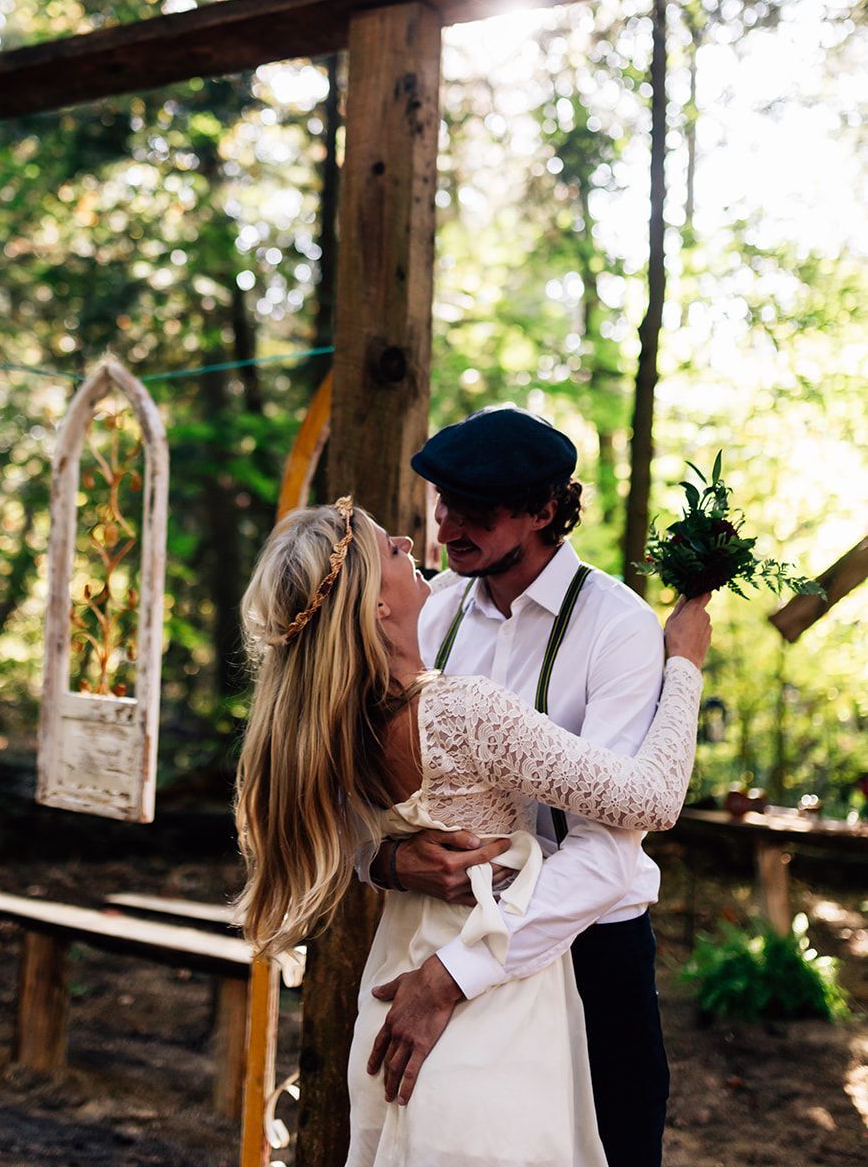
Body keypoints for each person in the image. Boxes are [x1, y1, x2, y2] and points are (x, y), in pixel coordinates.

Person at [234, 492, 712, 1167]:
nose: (412, 541)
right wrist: (684, 665)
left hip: (394, 976)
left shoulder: (333, 715)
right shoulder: (460, 709)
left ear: (543, 511)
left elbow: (333, 831)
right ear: (375, 608)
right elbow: (652, 800)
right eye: (389, 548)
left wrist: (388, 862)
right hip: (490, 1005)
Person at [365, 404, 693, 1167]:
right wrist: (380, 863)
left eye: (473, 511)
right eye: (441, 505)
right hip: (436, 931)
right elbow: (373, 787)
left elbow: (610, 851)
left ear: (545, 510)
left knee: (613, 1146)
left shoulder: (618, 628)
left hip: (588, 950)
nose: (445, 529)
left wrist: (455, 976)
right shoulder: (431, 608)